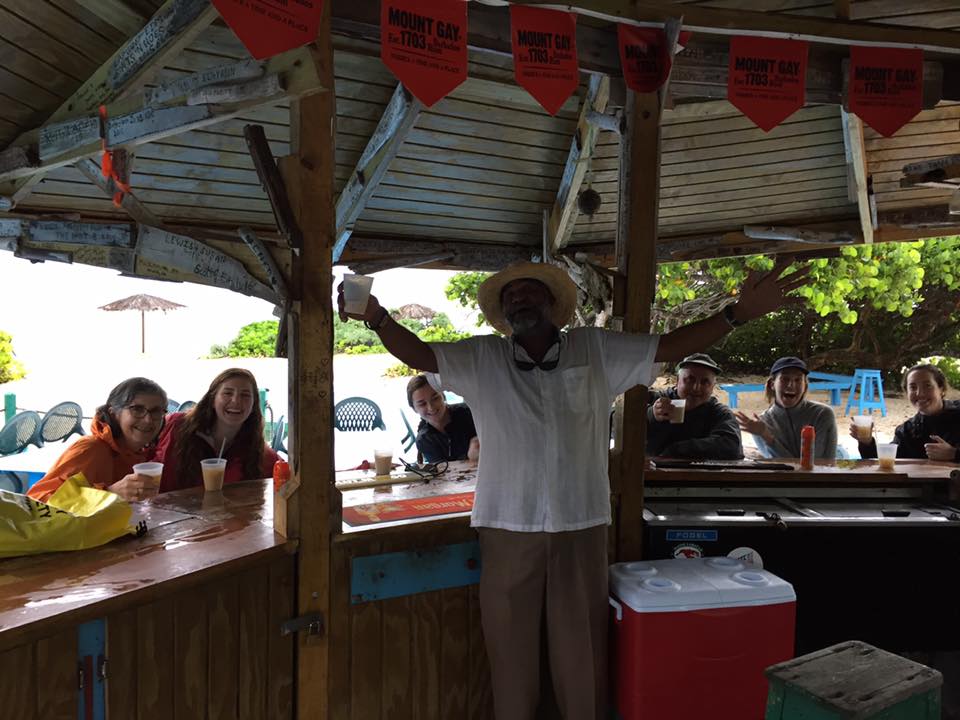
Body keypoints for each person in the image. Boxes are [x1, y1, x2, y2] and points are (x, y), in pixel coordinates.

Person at [337, 258, 806, 719]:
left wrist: (735, 314)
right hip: (506, 525)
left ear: (552, 303)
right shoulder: (483, 357)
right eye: (510, 295)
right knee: (509, 653)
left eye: (530, 290)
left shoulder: (595, 348)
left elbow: (668, 345)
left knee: (581, 653)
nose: (520, 299)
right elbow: (421, 355)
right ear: (503, 312)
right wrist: (377, 317)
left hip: (581, 523)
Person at [28, 377, 168, 503]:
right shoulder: (91, 449)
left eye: (156, 411)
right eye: (137, 409)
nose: (148, 419)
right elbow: (38, 500)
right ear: (114, 414)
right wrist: (111, 493)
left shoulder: (142, 454)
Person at [154, 368, 279, 492]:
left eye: (245, 395)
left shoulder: (259, 452)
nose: (236, 401)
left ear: (253, 405)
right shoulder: (177, 426)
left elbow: (283, 477)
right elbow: (148, 455)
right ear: (212, 399)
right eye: (228, 393)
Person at [735, 356, 838, 460]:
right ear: (772, 384)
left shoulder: (822, 414)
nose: (791, 385)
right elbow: (780, 465)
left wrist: (769, 439)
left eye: (798, 380)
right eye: (785, 379)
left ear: (805, 386)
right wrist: (765, 435)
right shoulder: (761, 424)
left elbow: (817, 463)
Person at [853, 363, 960, 461]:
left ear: (941, 389)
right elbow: (886, 463)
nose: (920, 393)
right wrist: (866, 442)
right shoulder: (906, 431)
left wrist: (954, 454)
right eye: (913, 387)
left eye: (927, 385)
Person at [646, 353, 743, 459]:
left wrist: (677, 449)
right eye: (689, 380)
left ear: (712, 387)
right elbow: (632, 423)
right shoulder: (655, 399)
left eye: (705, 382)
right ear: (677, 381)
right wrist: (651, 414)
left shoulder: (719, 413)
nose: (696, 388)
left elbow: (731, 446)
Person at [407, 374, 479, 462]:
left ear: (443, 397)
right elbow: (442, 469)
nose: (431, 408)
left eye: (435, 398)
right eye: (422, 404)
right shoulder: (424, 440)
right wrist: (469, 458)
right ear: (414, 409)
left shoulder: (470, 414)